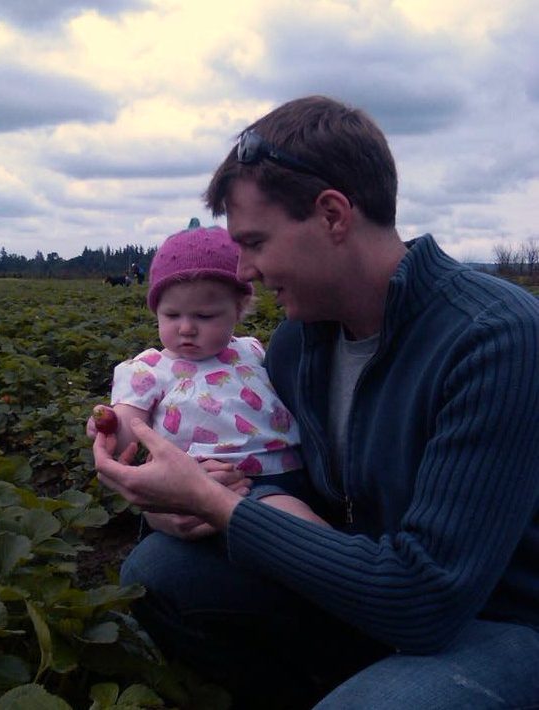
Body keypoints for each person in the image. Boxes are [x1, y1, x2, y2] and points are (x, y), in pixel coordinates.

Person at [93, 95, 539, 709]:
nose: (243, 271)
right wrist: (191, 498)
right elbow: (302, 498)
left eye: (254, 242)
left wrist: (217, 505)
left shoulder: (494, 337)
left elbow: (427, 600)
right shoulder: (299, 341)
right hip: (360, 592)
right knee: (159, 571)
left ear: (332, 215)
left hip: (492, 623)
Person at [90, 225, 328, 533]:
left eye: (204, 317)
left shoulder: (251, 350)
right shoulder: (147, 369)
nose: (186, 328)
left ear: (239, 309)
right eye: (172, 315)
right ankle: (353, 571)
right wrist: (108, 425)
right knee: (304, 528)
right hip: (213, 481)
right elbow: (129, 433)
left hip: (291, 472)